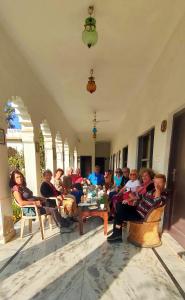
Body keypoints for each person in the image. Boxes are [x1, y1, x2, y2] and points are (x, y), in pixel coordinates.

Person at [107, 174, 167, 242]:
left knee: (119, 215)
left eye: (160, 182)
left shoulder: (163, 195)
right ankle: (117, 231)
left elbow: (157, 204)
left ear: (164, 183)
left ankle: (117, 234)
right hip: (137, 209)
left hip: (141, 215)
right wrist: (129, 199)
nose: (157, 185)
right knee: (119, 205)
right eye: (156, 182)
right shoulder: (152, 190)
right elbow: (140, 196)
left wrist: (158, 190)